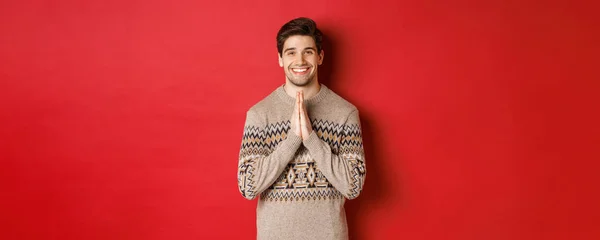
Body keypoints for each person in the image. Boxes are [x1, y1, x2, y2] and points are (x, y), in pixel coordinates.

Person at [237, 17, 366, 240]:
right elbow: (248, 187)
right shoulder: (259, 115)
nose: (300, 60)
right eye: (291, 52)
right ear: (280, 59)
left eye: (308, 51)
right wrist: (292, 140)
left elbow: (353, 186)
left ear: (320, 56)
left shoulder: (345, 113)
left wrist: (312, 139)